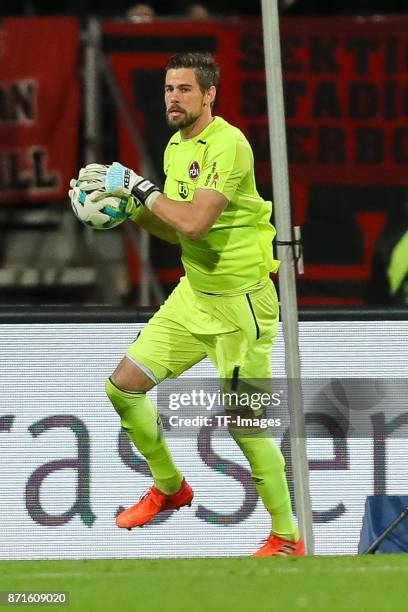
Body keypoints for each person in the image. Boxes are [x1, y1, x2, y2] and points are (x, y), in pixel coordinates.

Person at [70, 52, 304, 557]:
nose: (173, 98)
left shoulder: (228, 144)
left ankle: (287, 537)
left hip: (241, 306)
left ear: (209, 94)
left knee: (246, 424)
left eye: (184, 90)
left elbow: (196, 222)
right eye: (168, 89)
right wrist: (126, 210)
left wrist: (140, 187)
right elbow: (176, 230)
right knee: (123, 388)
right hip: (194, 294)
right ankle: (171, 487)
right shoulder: (178, 146)